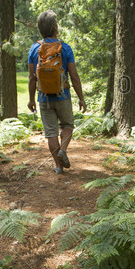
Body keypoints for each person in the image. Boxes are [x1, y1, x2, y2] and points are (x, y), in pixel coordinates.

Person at [27, 10, 87, 174]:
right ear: (55, 27)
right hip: (63, 96)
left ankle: (58, 166)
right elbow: (73, 75)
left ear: (40, 28)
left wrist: (31, 100)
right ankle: (64, 151)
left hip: (44, 98)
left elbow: (32, 78)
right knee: (67, 125)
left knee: (51, 133)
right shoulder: (65, 48)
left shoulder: (34, 49)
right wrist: (81, 98)